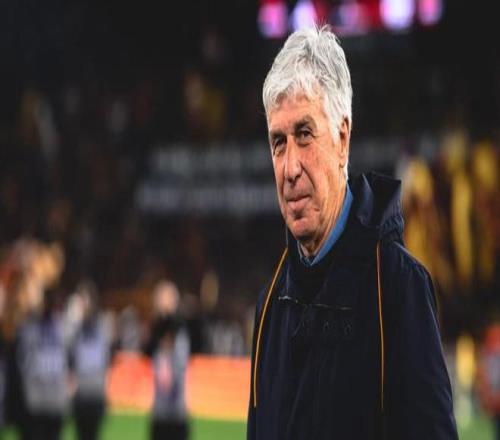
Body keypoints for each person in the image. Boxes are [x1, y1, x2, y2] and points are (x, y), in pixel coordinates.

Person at [247, 25, 458, 440]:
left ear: (342, 138)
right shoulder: (269, 303)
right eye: (278, 142)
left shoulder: (398, 288)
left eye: (304, 134)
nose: (289, 168)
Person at [144, 280, 190, 440]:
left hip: (178, 413)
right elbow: (146, 350)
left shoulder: (182, 333)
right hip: (160, 414)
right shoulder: (154, 336)